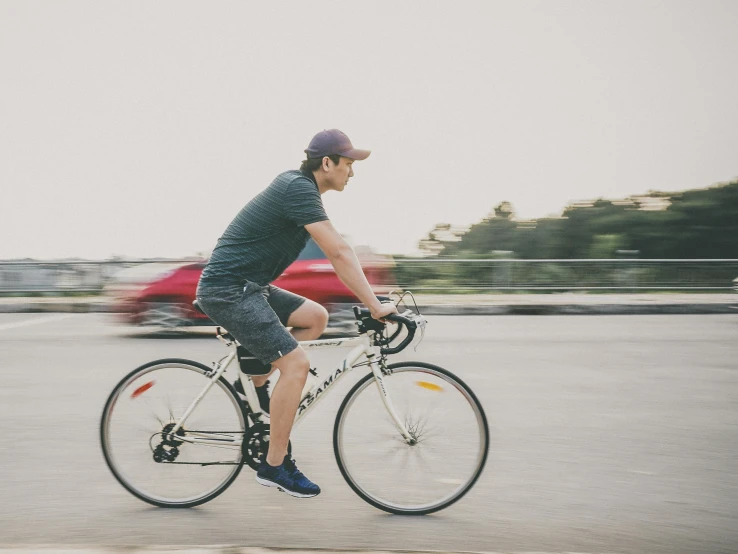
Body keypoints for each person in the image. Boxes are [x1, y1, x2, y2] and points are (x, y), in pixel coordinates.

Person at [195, 129, 398, 498]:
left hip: (249, 287)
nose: (352, 172)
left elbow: (339, 252)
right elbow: (338, 252)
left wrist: (374, 297)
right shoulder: (297, 188)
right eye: (348, 164)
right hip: (230, 290)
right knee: (297, 365)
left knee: (315, 317)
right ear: (327, 163)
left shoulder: (303, 192)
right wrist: (375, 305)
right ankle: (274, 466)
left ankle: (258, 370)